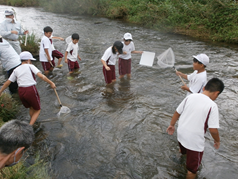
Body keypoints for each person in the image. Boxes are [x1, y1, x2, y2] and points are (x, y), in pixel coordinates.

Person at [166, 78, 224, 179]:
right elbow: (213, 130)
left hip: (181, 133)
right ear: (216, 93)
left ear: (204, 87)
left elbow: (177, 112)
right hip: (194, 141)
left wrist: (171, 125)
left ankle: (180, 159)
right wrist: (217, 141)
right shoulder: (212, 106)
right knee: (192, 170)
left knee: (183, 150)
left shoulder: (191, 97)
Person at [0, 51, 56, 125]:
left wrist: (0, 91)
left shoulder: (16, 69)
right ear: (28, 60)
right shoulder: (30, 66)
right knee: (38, 110)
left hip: (21, 91)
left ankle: (33, 121)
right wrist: (51, 83)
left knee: (31, 107)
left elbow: (8, 82)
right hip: (30, 90)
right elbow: (41, 76)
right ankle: (30, 126)